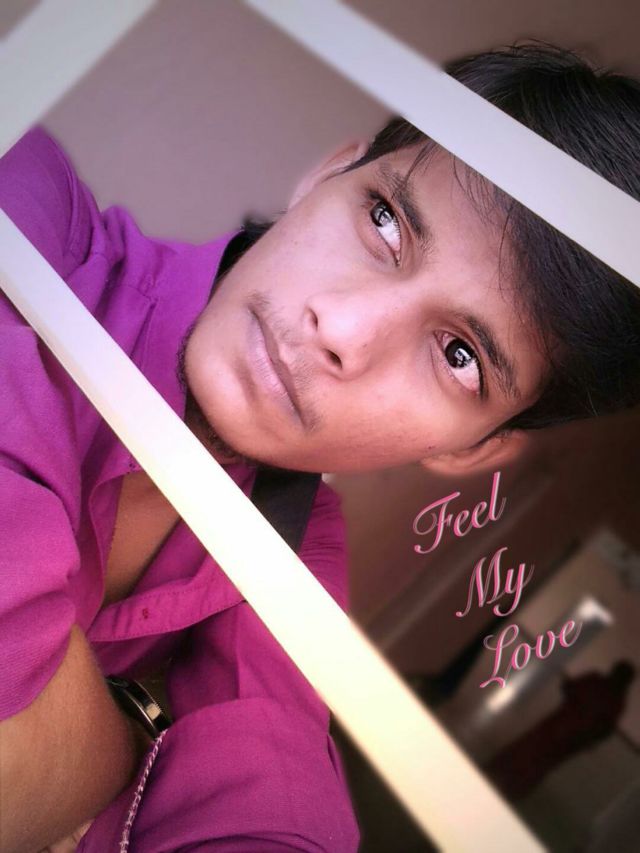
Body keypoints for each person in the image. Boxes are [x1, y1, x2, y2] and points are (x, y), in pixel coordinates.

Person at [1, 41, 640, 852]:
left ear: (474, 450)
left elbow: (272, 802)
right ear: (328, 173)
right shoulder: (24, 199)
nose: (340, 326)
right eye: (385, 220)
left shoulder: (300, 548)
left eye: (460, 356)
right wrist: (124, 750)